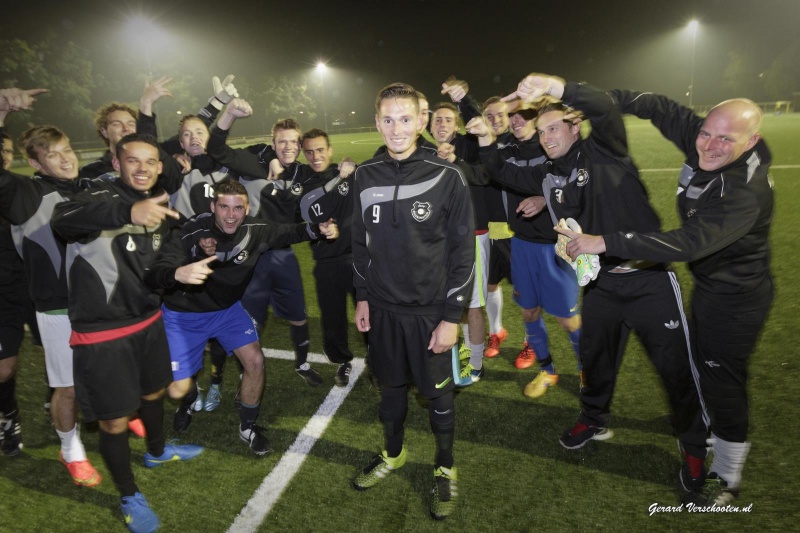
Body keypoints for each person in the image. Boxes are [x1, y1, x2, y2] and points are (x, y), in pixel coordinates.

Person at [484, 74, 707, 491]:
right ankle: (593, 419)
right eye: (542, 129)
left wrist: (558, 86)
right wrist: (483, 138)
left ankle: (695, 447)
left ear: (574, 127)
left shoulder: (604, 148)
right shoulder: (549, 176)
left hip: (649, 280)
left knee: (675, 369)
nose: (547, 136)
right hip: (602, 285)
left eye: (555, 127)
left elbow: (604, 107)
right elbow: (506, 174)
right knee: (595, 359)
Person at [557, 93, 773, 506]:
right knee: (625, 358)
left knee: (715, 378)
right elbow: (657, 105)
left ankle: (722, 471)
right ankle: (599, 418)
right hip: (706, 286)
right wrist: (588, 93)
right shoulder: (707, 139)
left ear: (751, 141)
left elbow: (690, 242)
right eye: (706, 133)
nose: (710, 145)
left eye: (725, 139)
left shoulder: (744, 190)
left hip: (735, 296)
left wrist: (604, 242)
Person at [52, 133, 203, 533]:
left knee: (154, 392)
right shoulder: (96, 195)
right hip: (102, 336)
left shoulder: (163, 204)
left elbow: (162, 263)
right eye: (132, 161)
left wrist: (177, 273)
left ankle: (155, 451)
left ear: (159, 166)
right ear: (117, 163)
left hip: (149, 323)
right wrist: (126, 212)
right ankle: (128, 494)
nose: (142, 169)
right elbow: (62, 222)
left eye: (150, 162)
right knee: (114, 422)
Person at [351, 82, 474, 521]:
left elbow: (464, 253)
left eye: (405, 119)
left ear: (422, 122)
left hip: (430, 313)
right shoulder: (364, 176)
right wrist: (363, 298)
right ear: (377, 121)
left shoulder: (448, 176)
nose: (396, 128)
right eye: (388, 119)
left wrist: (451, 317)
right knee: (391, 391)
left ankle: (444, 464)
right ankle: (393, 453)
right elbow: (359, 246)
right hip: (383, 311)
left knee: (439, 398)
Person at [145, 179, 337, 453]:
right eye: (224, 207)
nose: (231, 215)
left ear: (246, 210)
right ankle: (188, 400)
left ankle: (247, 427)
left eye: (238, 208)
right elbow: (155, 272)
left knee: (255, 361)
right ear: (213, 207)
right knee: (177, 390)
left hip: (226, 312)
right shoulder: (190, 231)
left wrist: (317, 229)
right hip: (184, 316)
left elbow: (289, 232)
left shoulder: (255, 230)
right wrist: (177, 273)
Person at [0, 96, 103, 485]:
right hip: (58, 307)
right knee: (67, 385)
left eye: (67, 150)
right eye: (53, 155)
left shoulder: (88, 188)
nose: (64, 159)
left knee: (105, 370)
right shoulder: (26, 195)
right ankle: (69, 446)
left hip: (100, 303)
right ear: (37, 163)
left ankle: (114, 416)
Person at [206, 101, 331, 387]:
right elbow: (216, 148)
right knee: (251, 324)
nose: (288, 147)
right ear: (272, 143)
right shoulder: (254, 162)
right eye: (281, 142)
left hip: (282, 256)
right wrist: (228, 117)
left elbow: (328, 179)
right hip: (250, 260)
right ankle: (244, 373)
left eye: (293, 142)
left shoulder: (302, 174)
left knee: (298, 316)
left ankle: (302, 363)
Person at [467, 99, 582, 397]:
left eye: (524, 115)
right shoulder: (507, 151)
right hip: (521, 244)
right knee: (529, 312)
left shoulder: (554, 147)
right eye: (512, 115)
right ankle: (547, 370)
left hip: (555, 245)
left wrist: (545, 199)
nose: (517, 120)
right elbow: (490, 167)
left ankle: (586, 370)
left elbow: (574, 184)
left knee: (567, 319)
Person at [0, 87, 46, 456]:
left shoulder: (18, 188)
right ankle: (8, 415)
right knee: (4, 369)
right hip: (3, 293)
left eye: (6, 151)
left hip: (26, 284)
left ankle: (55, 394)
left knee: (54, 345)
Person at [297, 128, 358, 387]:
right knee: (332, 319)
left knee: (373, 315)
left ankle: (381, 362)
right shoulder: (302, 186)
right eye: (309, 151)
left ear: (330, 150)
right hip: (326, 262)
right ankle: (343, 362)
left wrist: (353, 166)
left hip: (358, 258)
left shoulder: (347, 174)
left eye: (320, 149)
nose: (315, 155)